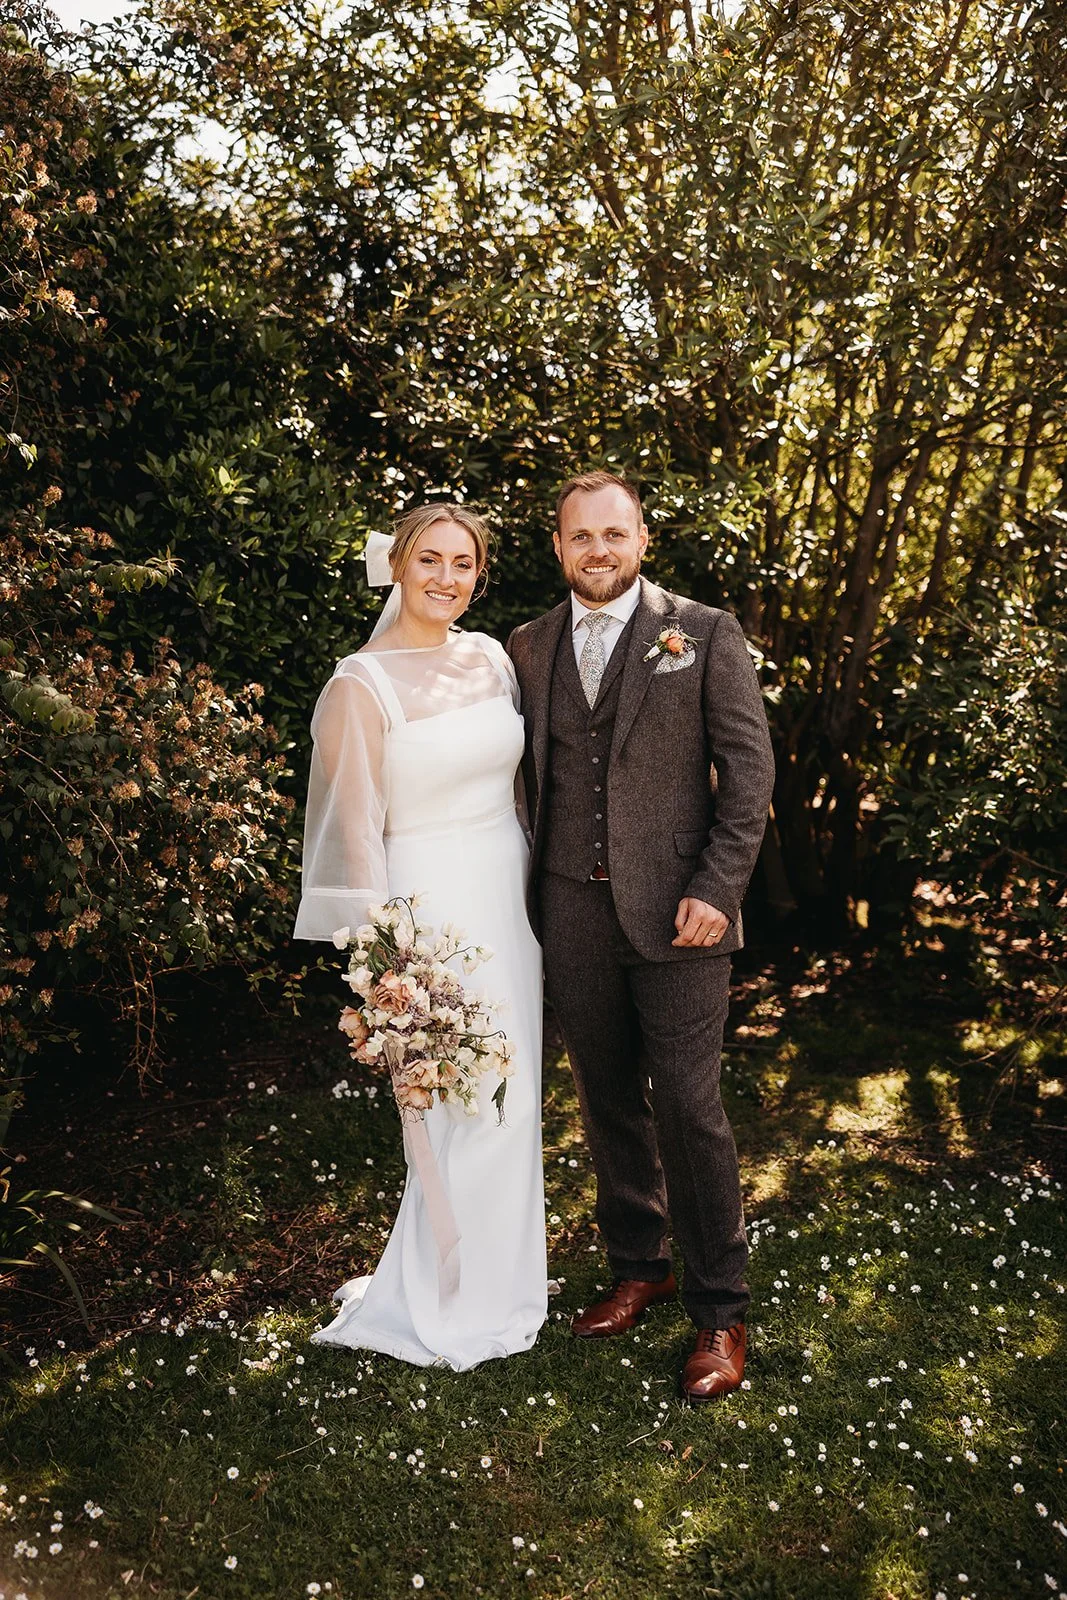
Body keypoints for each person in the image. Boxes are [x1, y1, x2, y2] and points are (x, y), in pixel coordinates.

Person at [507, 470, 774, 1402]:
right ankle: (639, 1264)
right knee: (605, 1095)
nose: (598, 552)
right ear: (557, 547)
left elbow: (747, 775)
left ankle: (718, 1310)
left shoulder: (701, 632)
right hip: (568, 912)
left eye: (613, 535)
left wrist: (716, 888)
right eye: (580, 537)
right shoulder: (527, 645)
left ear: (641, 539)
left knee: (689, 1109)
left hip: (681, 916)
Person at [294, 503, 547, 1370]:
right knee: (460, 1103)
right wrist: (383, 959)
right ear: (396, 566)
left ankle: (505, 1281)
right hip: (430, 914)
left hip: (506, 904)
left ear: (480, 574)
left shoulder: (490, 659)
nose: (447, 577)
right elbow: (355, 831)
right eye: (430, 559)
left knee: (514, 1103)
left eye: (464, 562)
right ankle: (444, 1291)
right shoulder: (357, 685)